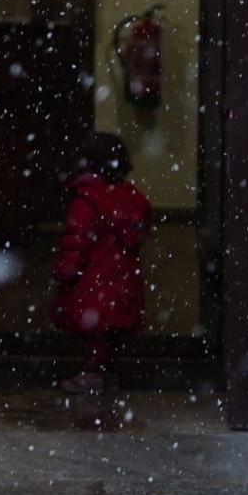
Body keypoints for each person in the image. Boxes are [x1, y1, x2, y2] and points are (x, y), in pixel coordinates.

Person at [51, 131, 152, 394]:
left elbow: (76, 240)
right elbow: (139, 233)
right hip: (122, 279)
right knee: (112, 331)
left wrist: (66, 269)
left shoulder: (86, 201)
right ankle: (107, 373)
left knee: (94, 333)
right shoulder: (131, 199)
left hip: (93, 282)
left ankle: (93, 374)